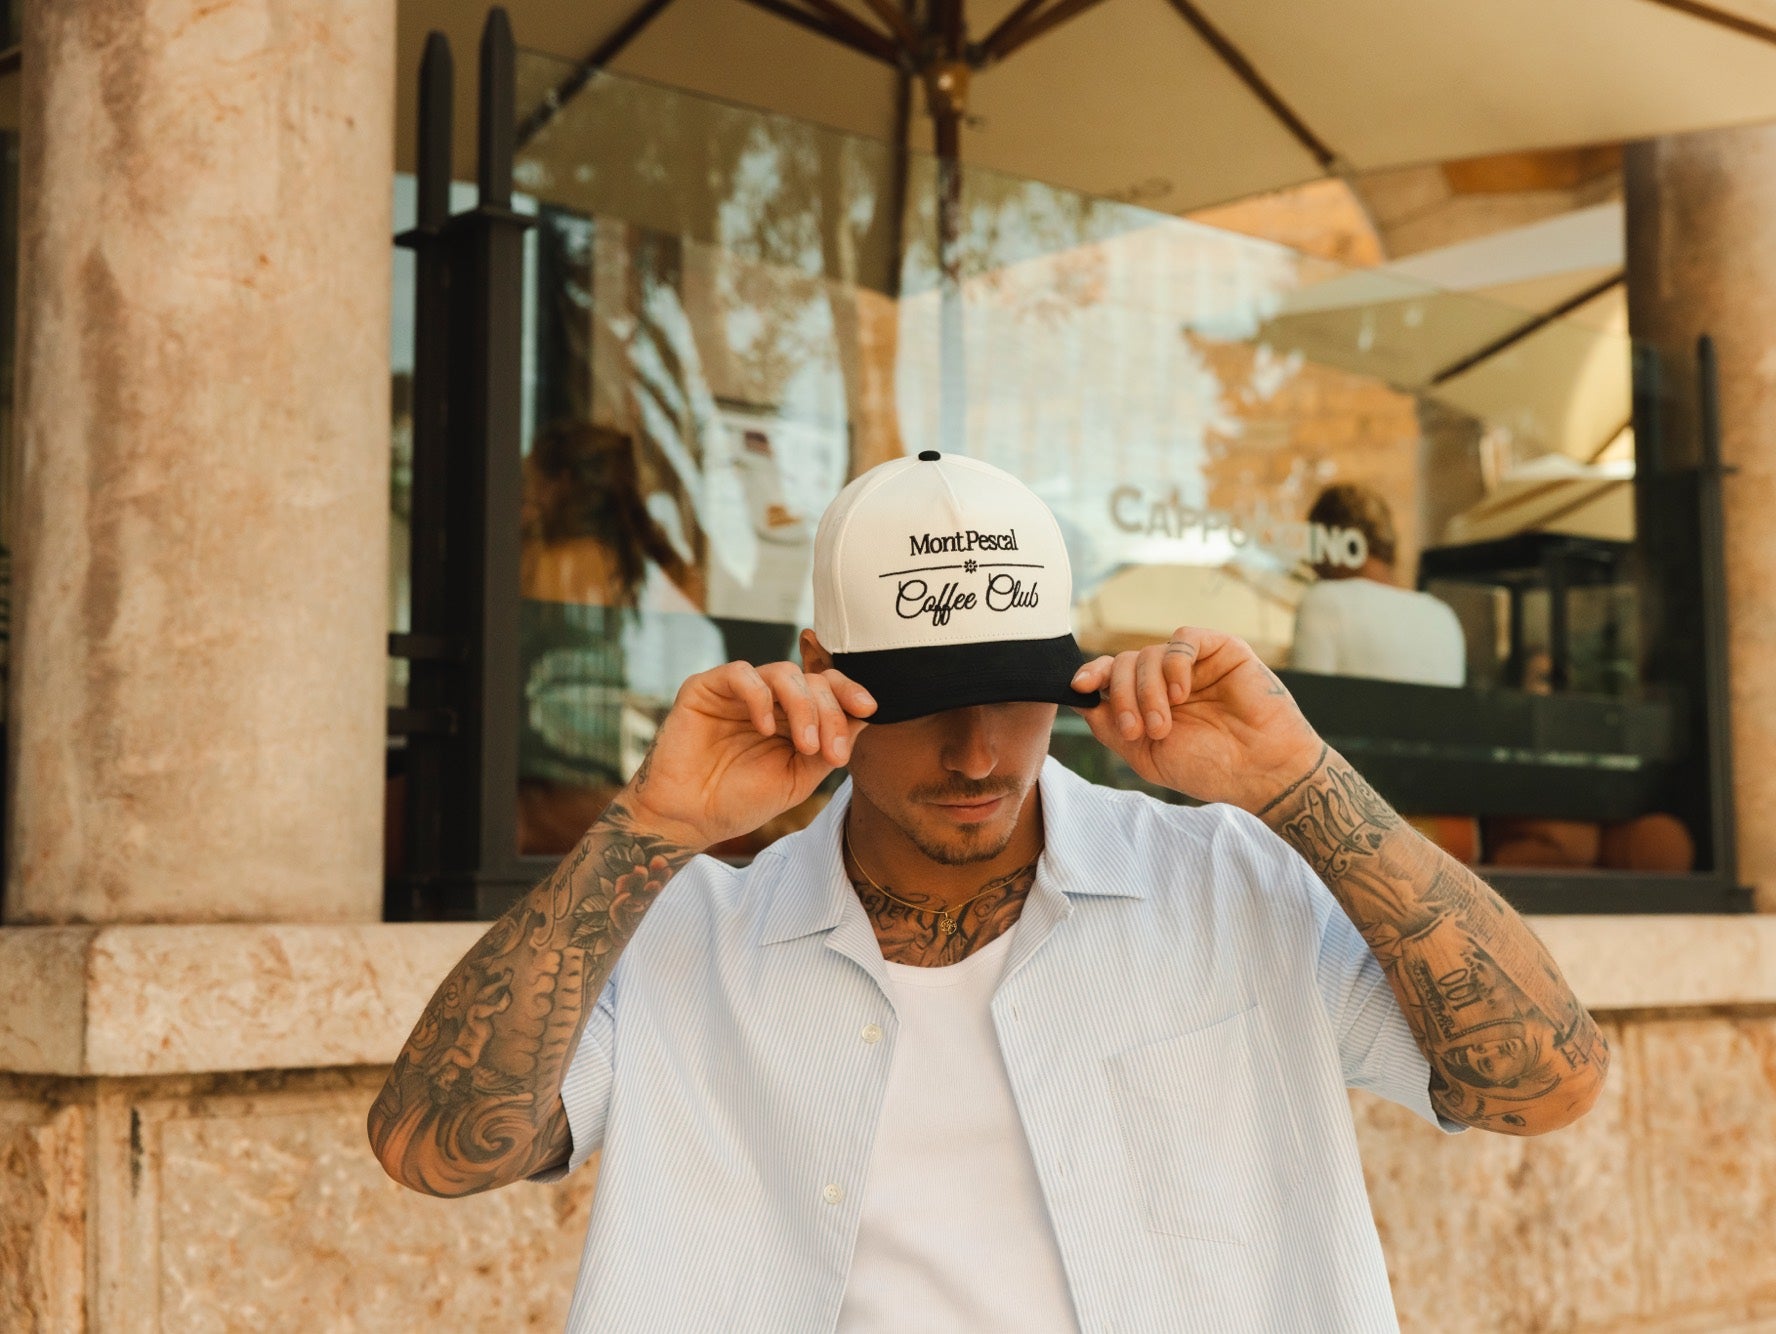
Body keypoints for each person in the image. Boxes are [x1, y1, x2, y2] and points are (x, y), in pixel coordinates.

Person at [369, 451, 1607, 1331]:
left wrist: (1300, 781)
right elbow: (433, 1148)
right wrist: (644, 830)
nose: (975, 753)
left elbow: (1546, 1083)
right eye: (919, 702)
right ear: (819, 671)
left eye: (1014, 693)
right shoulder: (691, 931)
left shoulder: (1227, 884)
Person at [515, 421, 725, 855]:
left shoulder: (540, 561)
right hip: (656, 788)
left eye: (531, 482)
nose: (525, 497)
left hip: (557, 795)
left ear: (561, 483)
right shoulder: (674, 570)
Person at [1289, 482, 1467, 687]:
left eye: (1313, 543)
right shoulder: (1442, 617)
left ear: (1332, 543)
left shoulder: (1324, 601)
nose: (1313, 563)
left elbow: (1304, 700)